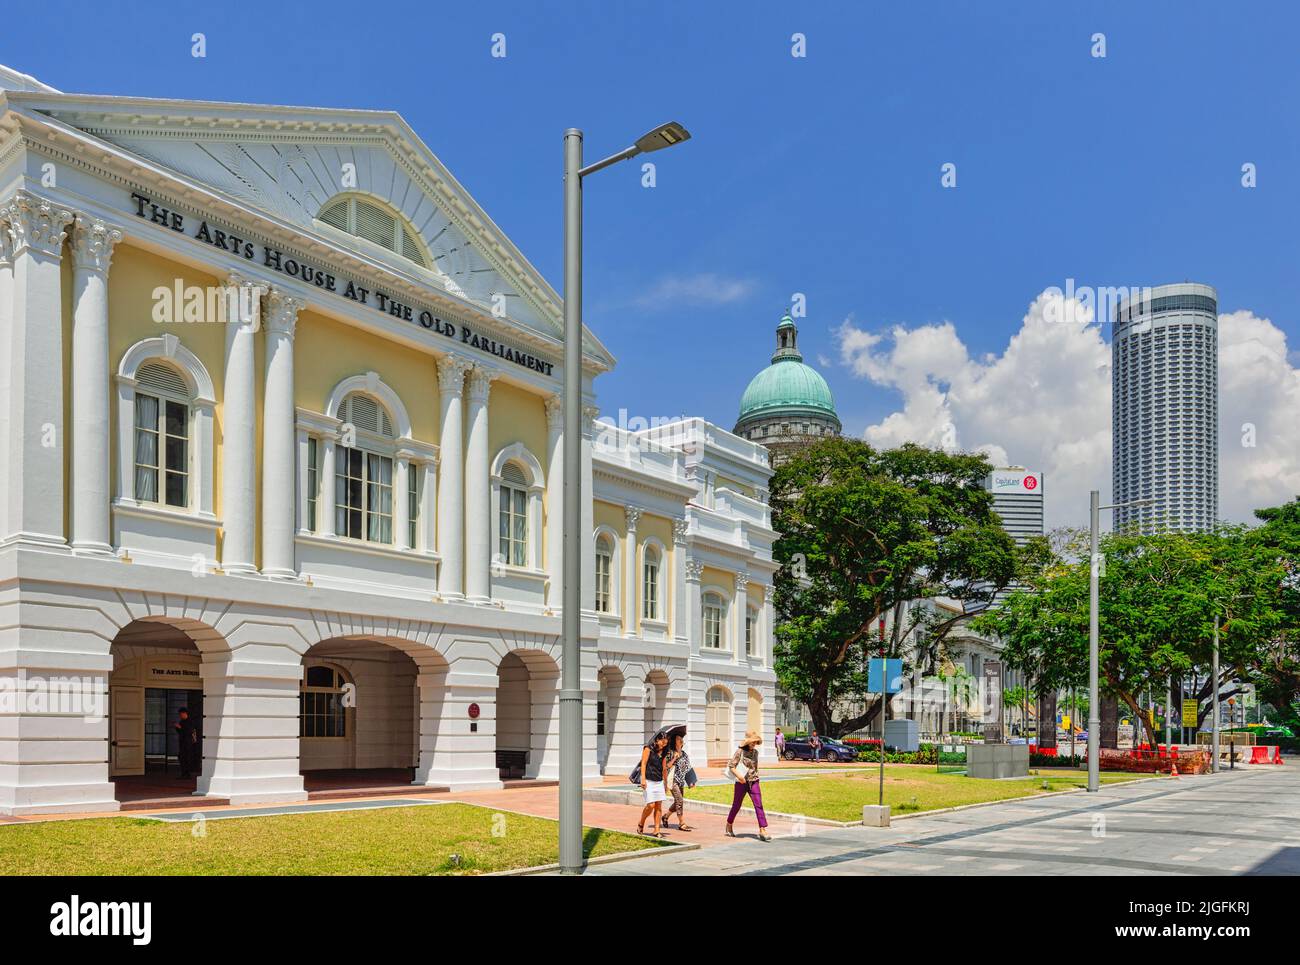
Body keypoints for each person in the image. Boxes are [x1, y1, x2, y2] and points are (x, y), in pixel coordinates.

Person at [725, 730, 771, 842]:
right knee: (736, 805)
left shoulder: (756, 753)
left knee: (758, 804)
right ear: (747, 742)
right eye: (752, 742)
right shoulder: (739, 752)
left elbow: (755, 768)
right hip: (741, 782)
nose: (754, 744)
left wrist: (756, 776)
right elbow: (731, 766)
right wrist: (739, 777)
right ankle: (729, 824)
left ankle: (762, 829)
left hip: (754, 781)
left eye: (755, 742)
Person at [637, 730, 671, 837]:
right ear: (657, 740)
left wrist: (665, 783)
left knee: (658, 806)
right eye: (662, 742)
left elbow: (664, 768)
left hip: (659, 781)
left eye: (665, 743)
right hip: (648, 780)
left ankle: (657, 830)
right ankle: (641, 822)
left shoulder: (665, 751)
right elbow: (643, 763)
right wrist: (643, 779)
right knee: (650, 805)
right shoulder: (648, 748)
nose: (663, 745)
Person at [664, 732, 695, 831]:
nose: (681, 739)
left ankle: (665, 816)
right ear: (674, 741)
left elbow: (688, 768)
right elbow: (666, 766)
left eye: (681, 738)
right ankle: (681, 823)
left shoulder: (684, 754)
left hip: (681, 781)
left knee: (677, 801)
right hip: (673, 781)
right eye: (678, 738)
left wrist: (691, 781)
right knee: (680, 801)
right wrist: (674, 758)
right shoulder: (670, 752)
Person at [175, 707, 200, 779]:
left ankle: (187, 774)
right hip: (183, 742)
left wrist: (180, 728)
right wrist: (178, 728)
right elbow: (181, 733)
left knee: (187, 758)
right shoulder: (182, 721)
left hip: (188, 743)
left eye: (181, 714)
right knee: (182, 758)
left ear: (185, 713)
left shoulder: (190, 721)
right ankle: (183, 773)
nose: (180, 715)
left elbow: (189, 731)